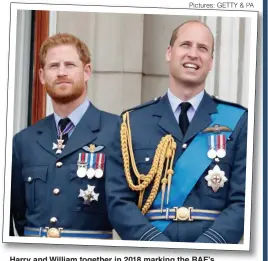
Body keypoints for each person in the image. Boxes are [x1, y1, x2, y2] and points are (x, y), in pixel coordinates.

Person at [106, 20, 248, 243]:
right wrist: (157, 248)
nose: (193, 54)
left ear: (211, 62)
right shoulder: (132, 122)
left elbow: (244, 201)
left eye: (203, 48)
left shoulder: (238, 121)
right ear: (169, 53)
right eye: (186, 45)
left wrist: (206, 250)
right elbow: (118, 201)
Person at [10, 33, 118, 239]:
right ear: (42, 76)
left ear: (87, 71)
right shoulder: (24, 141)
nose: (61, 72)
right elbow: (17, 213)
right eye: (53, 66)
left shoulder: (116, 131)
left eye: (69, 65)